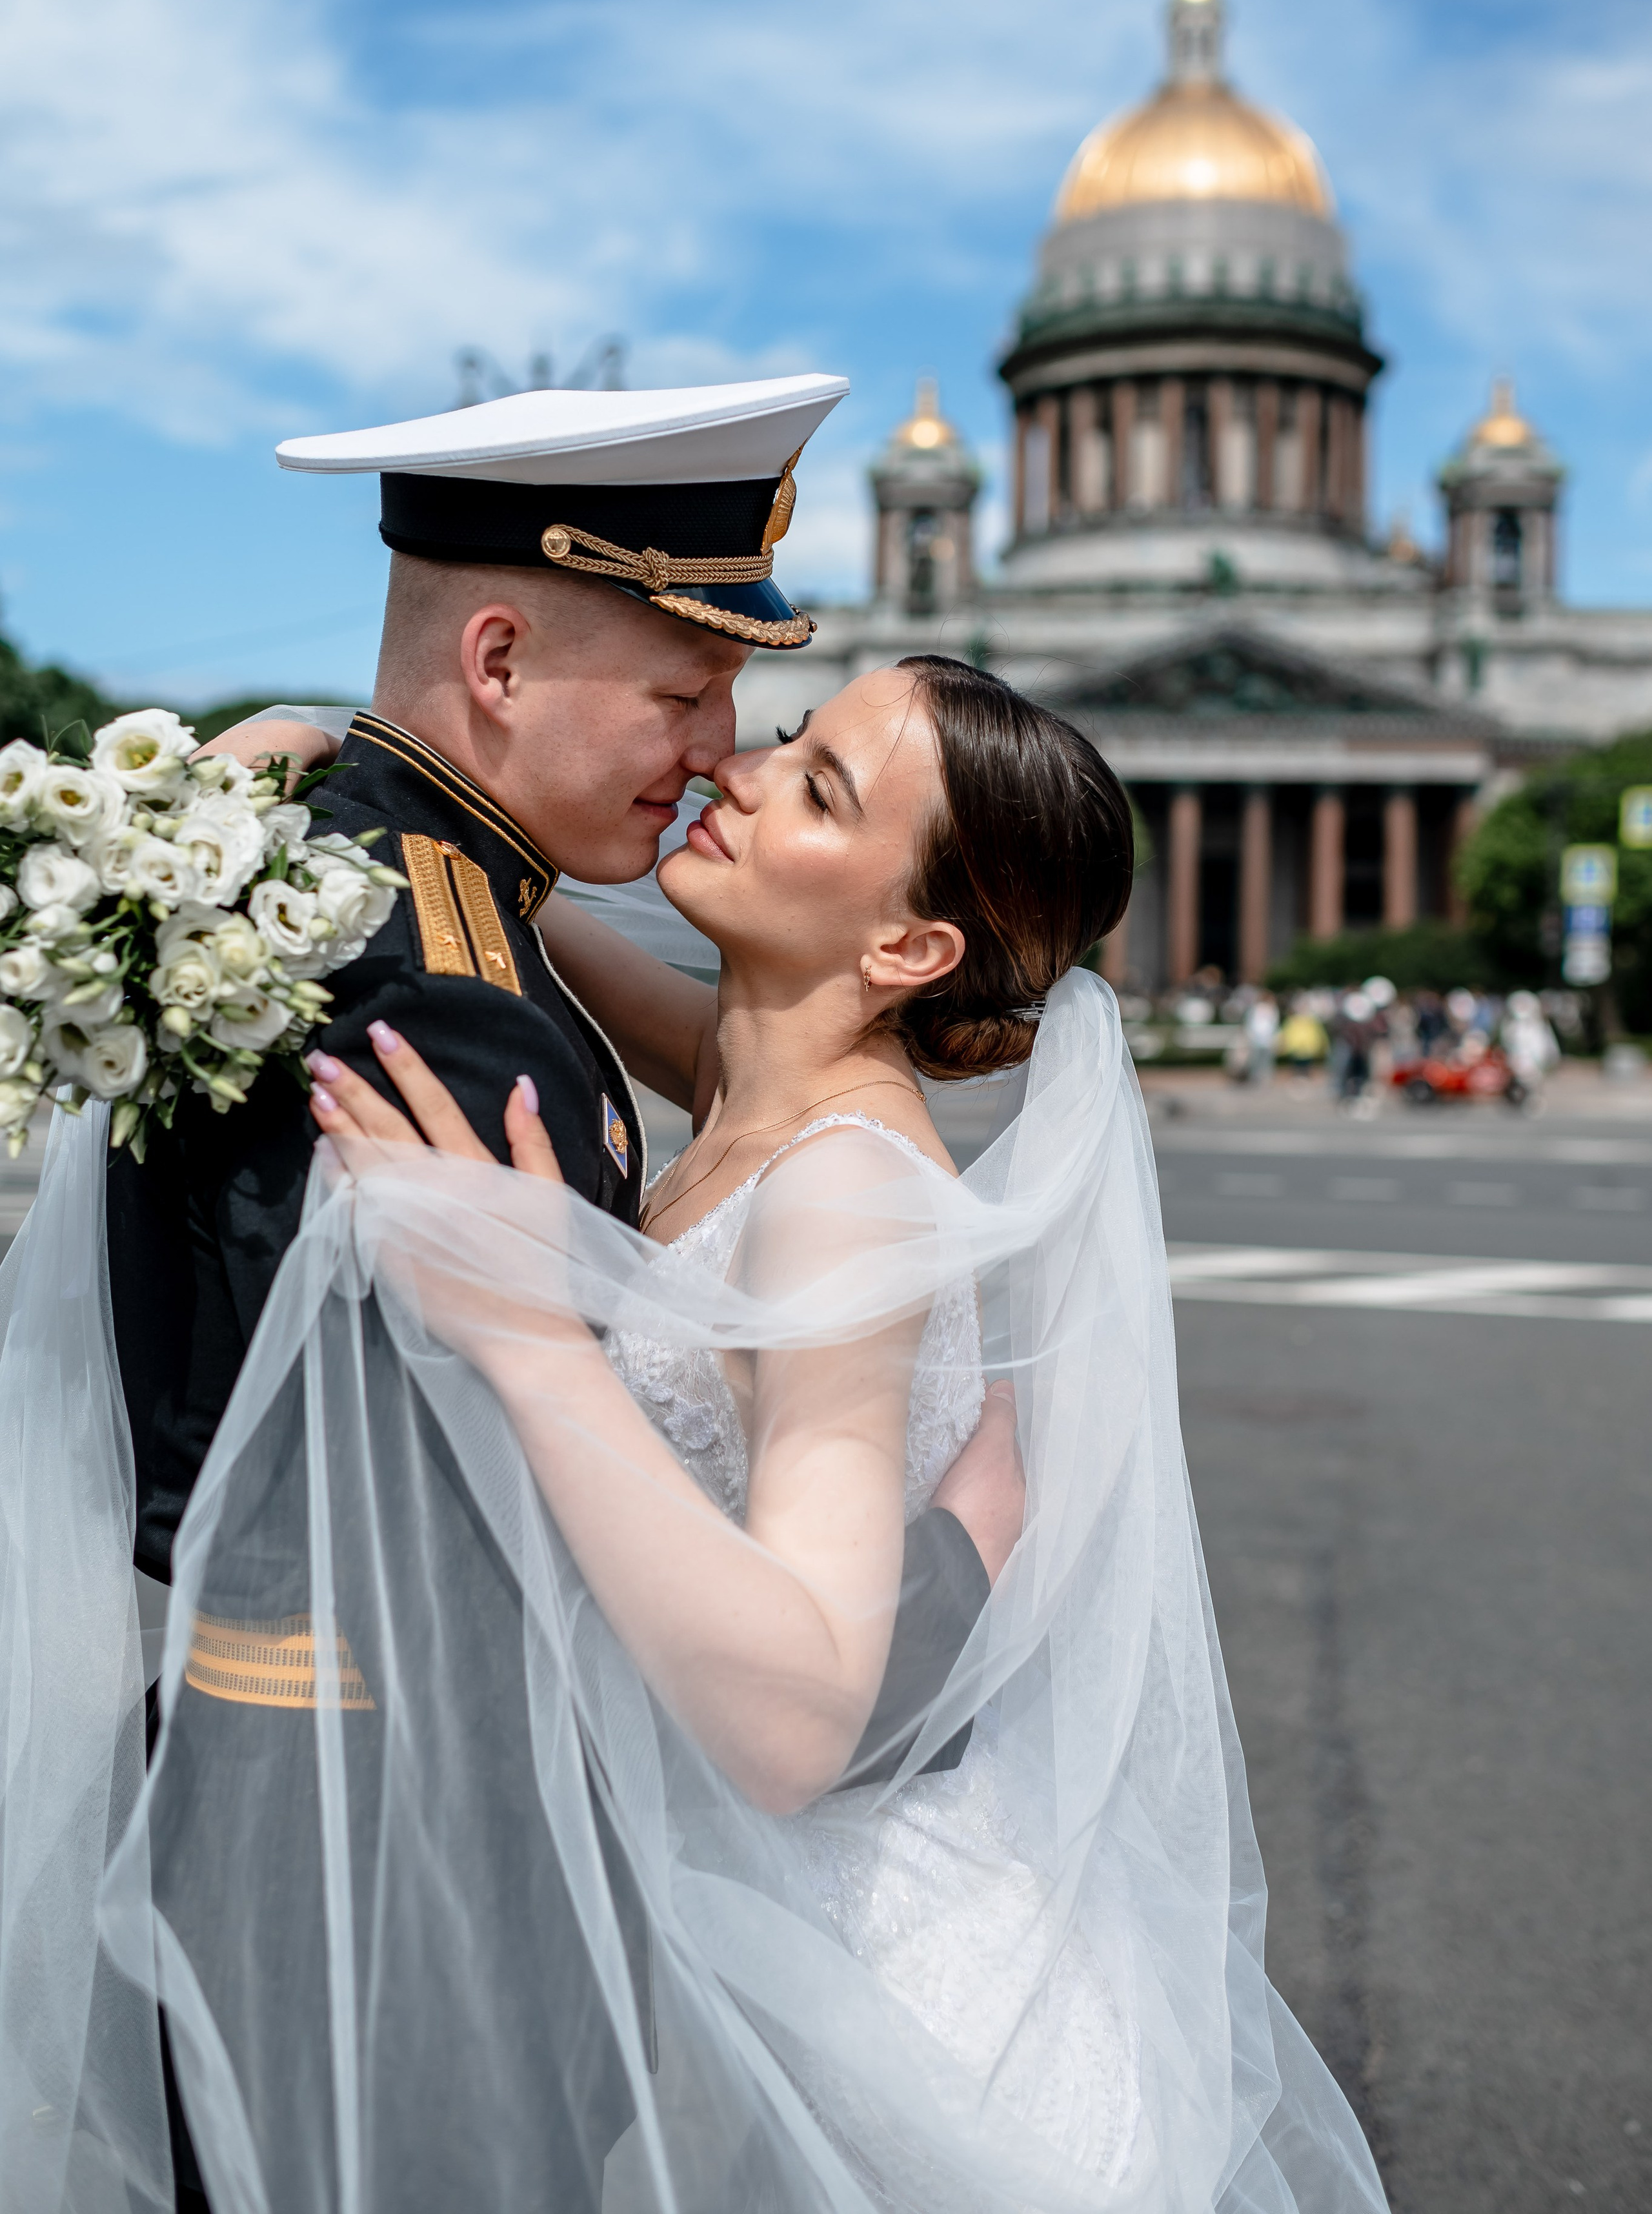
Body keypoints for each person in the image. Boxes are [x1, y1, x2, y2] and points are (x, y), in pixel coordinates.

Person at [113, 662, 1389, 2211]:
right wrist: (302, 772)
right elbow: (519, 899)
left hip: (894, 2017)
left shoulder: (844, 1189)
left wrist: (522, 1331)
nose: (745, 766)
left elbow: (793, 1715)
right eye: (795, 735)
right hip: (767, 1946)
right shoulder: (750, 1075)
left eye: (823, 786)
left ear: (909, 943)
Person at [0, 380, 1021, 2214]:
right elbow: (548, 1522)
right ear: (497, 655)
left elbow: (735, 1089)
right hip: (396, 1840)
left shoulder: (363, 872)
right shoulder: (446, 994)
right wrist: (954, 1574)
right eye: (687, 694)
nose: (718, 751)